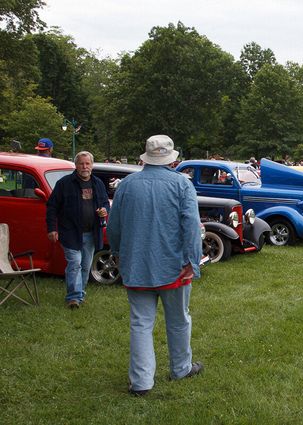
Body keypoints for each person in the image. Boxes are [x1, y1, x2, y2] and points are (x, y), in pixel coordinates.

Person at [107, 135, 204, 396]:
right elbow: (192, 227)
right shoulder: (182, 185)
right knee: (179, 320)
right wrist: (192, 261)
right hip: (174, 266)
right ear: (171, 160)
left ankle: (141, 383)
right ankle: (181, 368)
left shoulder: (127, 185)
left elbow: (113, 225)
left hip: (136, 264)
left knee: (140, 323)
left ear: (145, 158)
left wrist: (116, 253)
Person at [46, 151, 109, 308]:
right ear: (76, 165)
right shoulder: (64, 184)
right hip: (70, 232)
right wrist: (52, 228)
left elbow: (105, 203)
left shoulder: (98, 183)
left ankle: (79, 293)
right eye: (81, 163)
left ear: (92, 165)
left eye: (87, 164)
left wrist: (104, 210)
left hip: (91, 233)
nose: (84, 167)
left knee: (86, 266)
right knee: (74, 263)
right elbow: (52, 207)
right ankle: (73, 298)